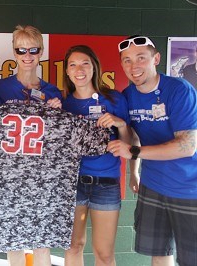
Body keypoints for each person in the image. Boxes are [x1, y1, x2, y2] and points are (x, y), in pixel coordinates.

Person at [108, 35, 197, 266]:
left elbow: (187, 146)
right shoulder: (128, 96)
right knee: (159, 253)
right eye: (126, 60)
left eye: (140, 58)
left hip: (189, 188)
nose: (133, 66)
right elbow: (132, 138)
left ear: (155, 58)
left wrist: (135, 154)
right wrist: (134, 170)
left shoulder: (179, 90)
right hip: (153, 185)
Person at [0, 25, 62, 266]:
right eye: (21, 50)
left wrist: (57, 113)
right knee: (14, 241)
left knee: (42, 241)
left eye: (33, 50)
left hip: (43, 173)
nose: (27, 55)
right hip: (10, 173)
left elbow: (59, 137)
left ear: (41, 52)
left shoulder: (53, 92)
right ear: (14, 51)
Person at [61, 45, 130, 266]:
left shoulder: (114, 99)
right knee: (73, 247)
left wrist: (120, 124)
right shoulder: (62, 105)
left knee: (104, 254)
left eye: (85, 63)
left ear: (94, 67)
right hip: (72, 184)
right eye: (73, 65)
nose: (79, 69)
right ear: (67, 71)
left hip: (107, 184)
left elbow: (129, 146)